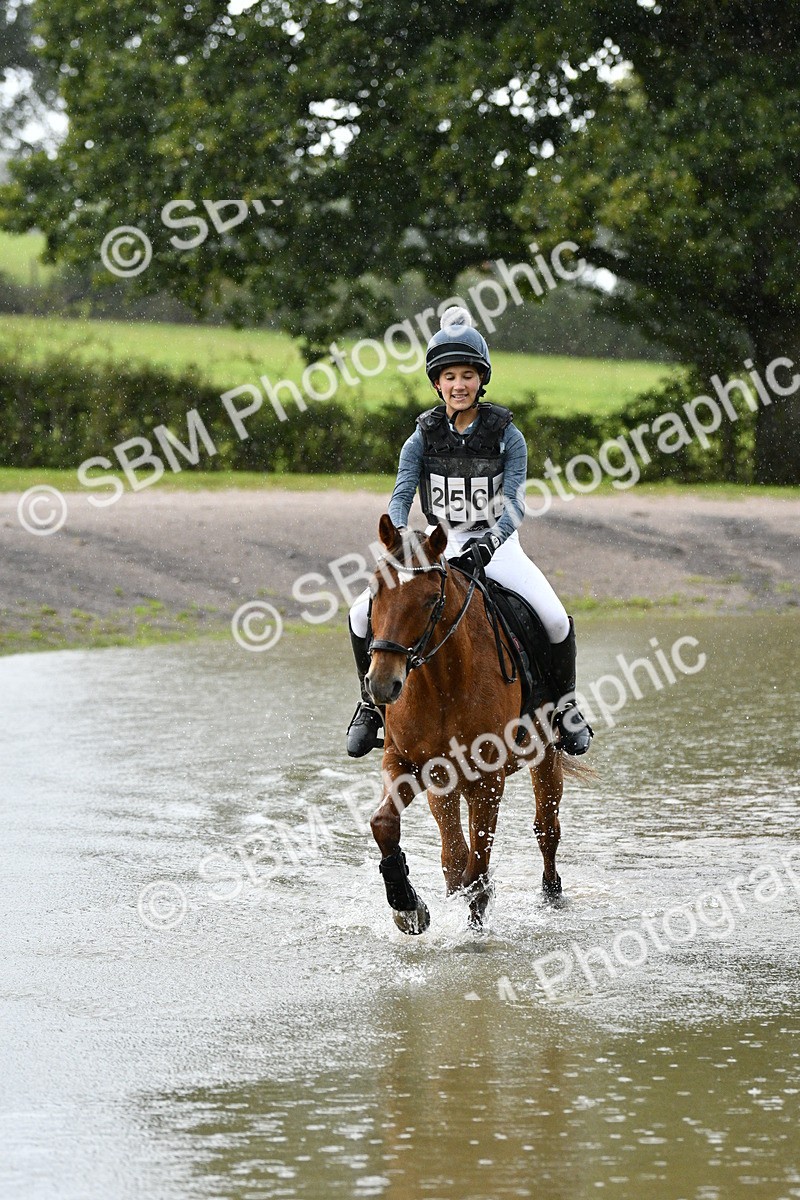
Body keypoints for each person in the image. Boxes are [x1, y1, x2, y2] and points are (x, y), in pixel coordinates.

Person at [345, 306, 592, 758]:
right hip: (437, 544)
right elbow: (401, 495)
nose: (459, 385)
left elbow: (514, 503)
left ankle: (564, 708)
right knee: (361, 614)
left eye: (467, 375)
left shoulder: (507, 436)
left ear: (481, 379)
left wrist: (489, 545)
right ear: (436, 384)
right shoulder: (420, 437)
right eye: (449, 377)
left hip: (497, 544)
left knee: (555, 619)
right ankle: (368, 705)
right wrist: (401, 537)